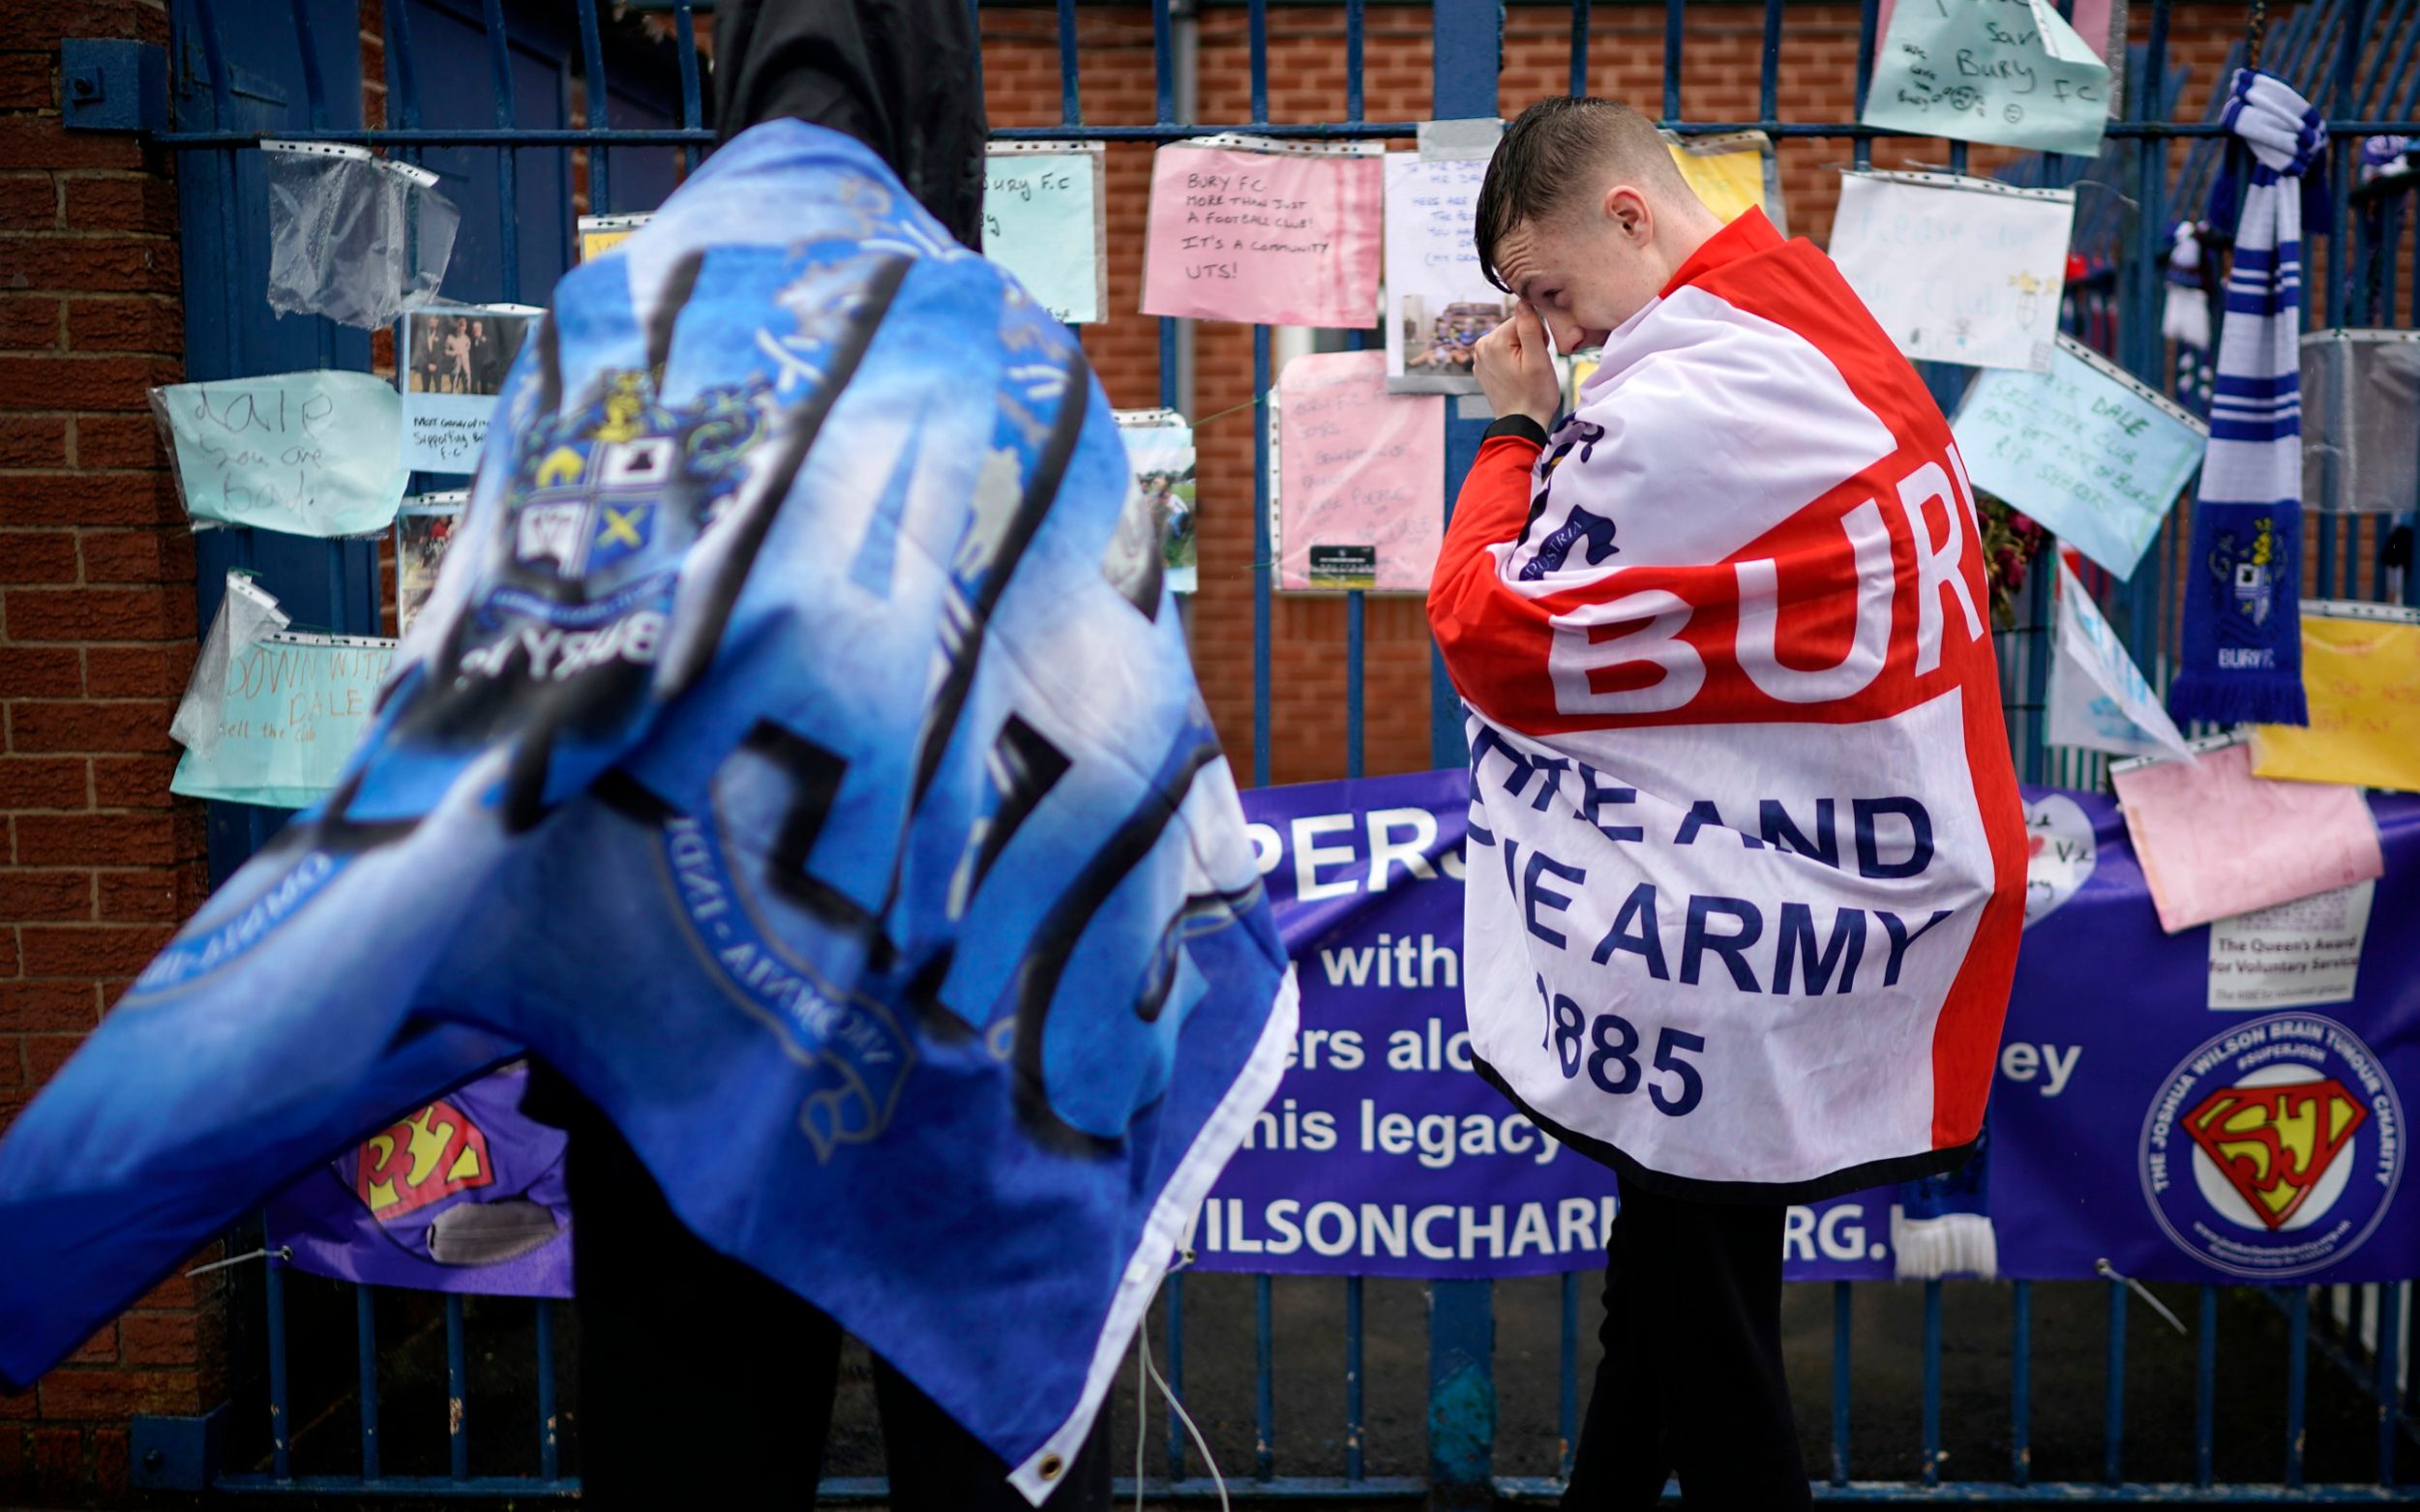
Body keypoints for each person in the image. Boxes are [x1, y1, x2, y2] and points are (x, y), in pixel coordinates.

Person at [1429, 97, 2026, 1509]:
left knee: (1704, 1326)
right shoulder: (1811, 320)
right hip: (1784, 904)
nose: (1553, 335)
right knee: (1676, 1282)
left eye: (1549, 293)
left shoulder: (1693, 392)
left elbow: (1490, 627)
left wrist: (1515, 437)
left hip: (1729, 934)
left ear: (1627, 215)